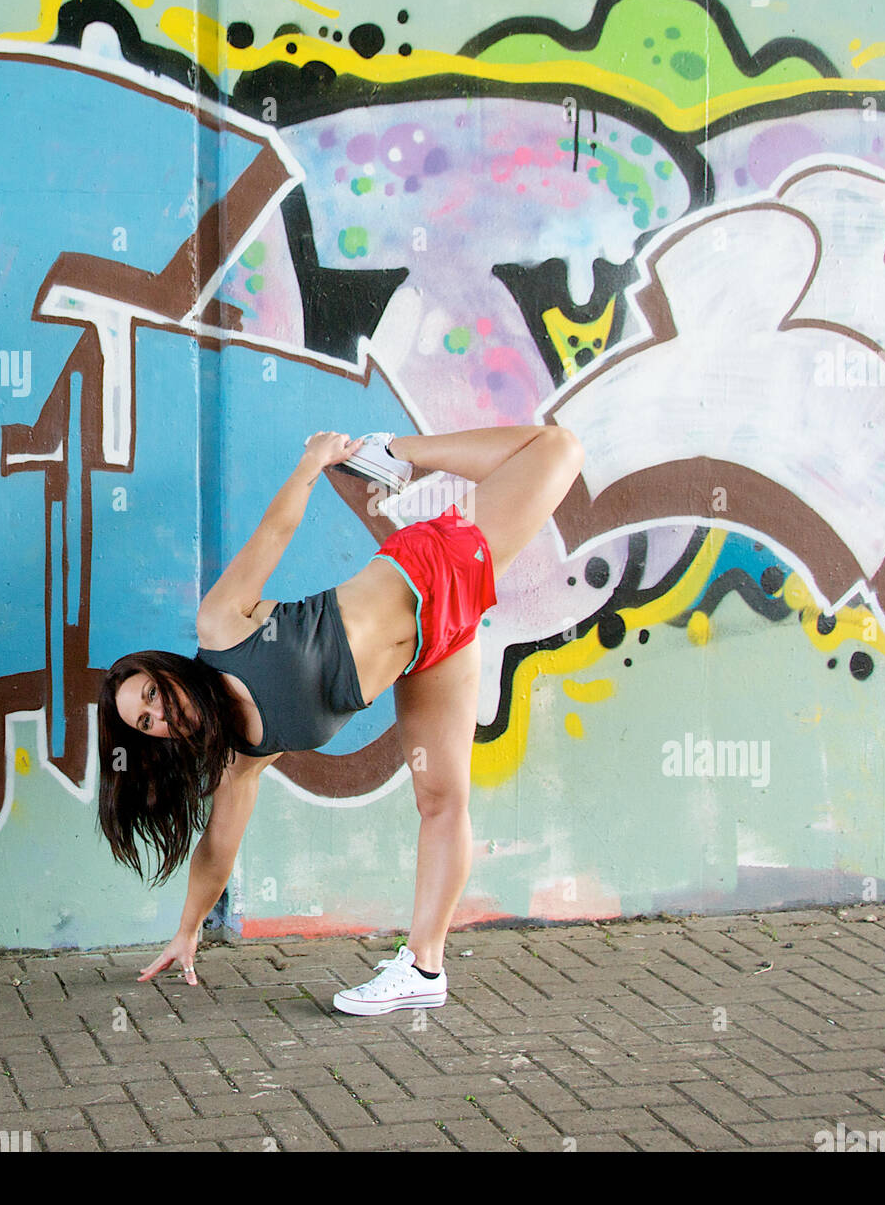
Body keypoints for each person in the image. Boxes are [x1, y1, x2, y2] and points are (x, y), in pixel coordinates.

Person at [96, 424, 584, 1014]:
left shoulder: (222, 629)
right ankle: (425, 968)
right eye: (146, 723)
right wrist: (188, 929)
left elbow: (274, 535)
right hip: (435, 650)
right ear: (158, 741)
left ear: (164, 671)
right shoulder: (244, 758)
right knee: (442, 801)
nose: (156, 712)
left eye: (149, 694)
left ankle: (393, 452)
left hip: (427, 569)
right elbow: (216, 851)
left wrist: (312, 463)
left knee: (558, 449)